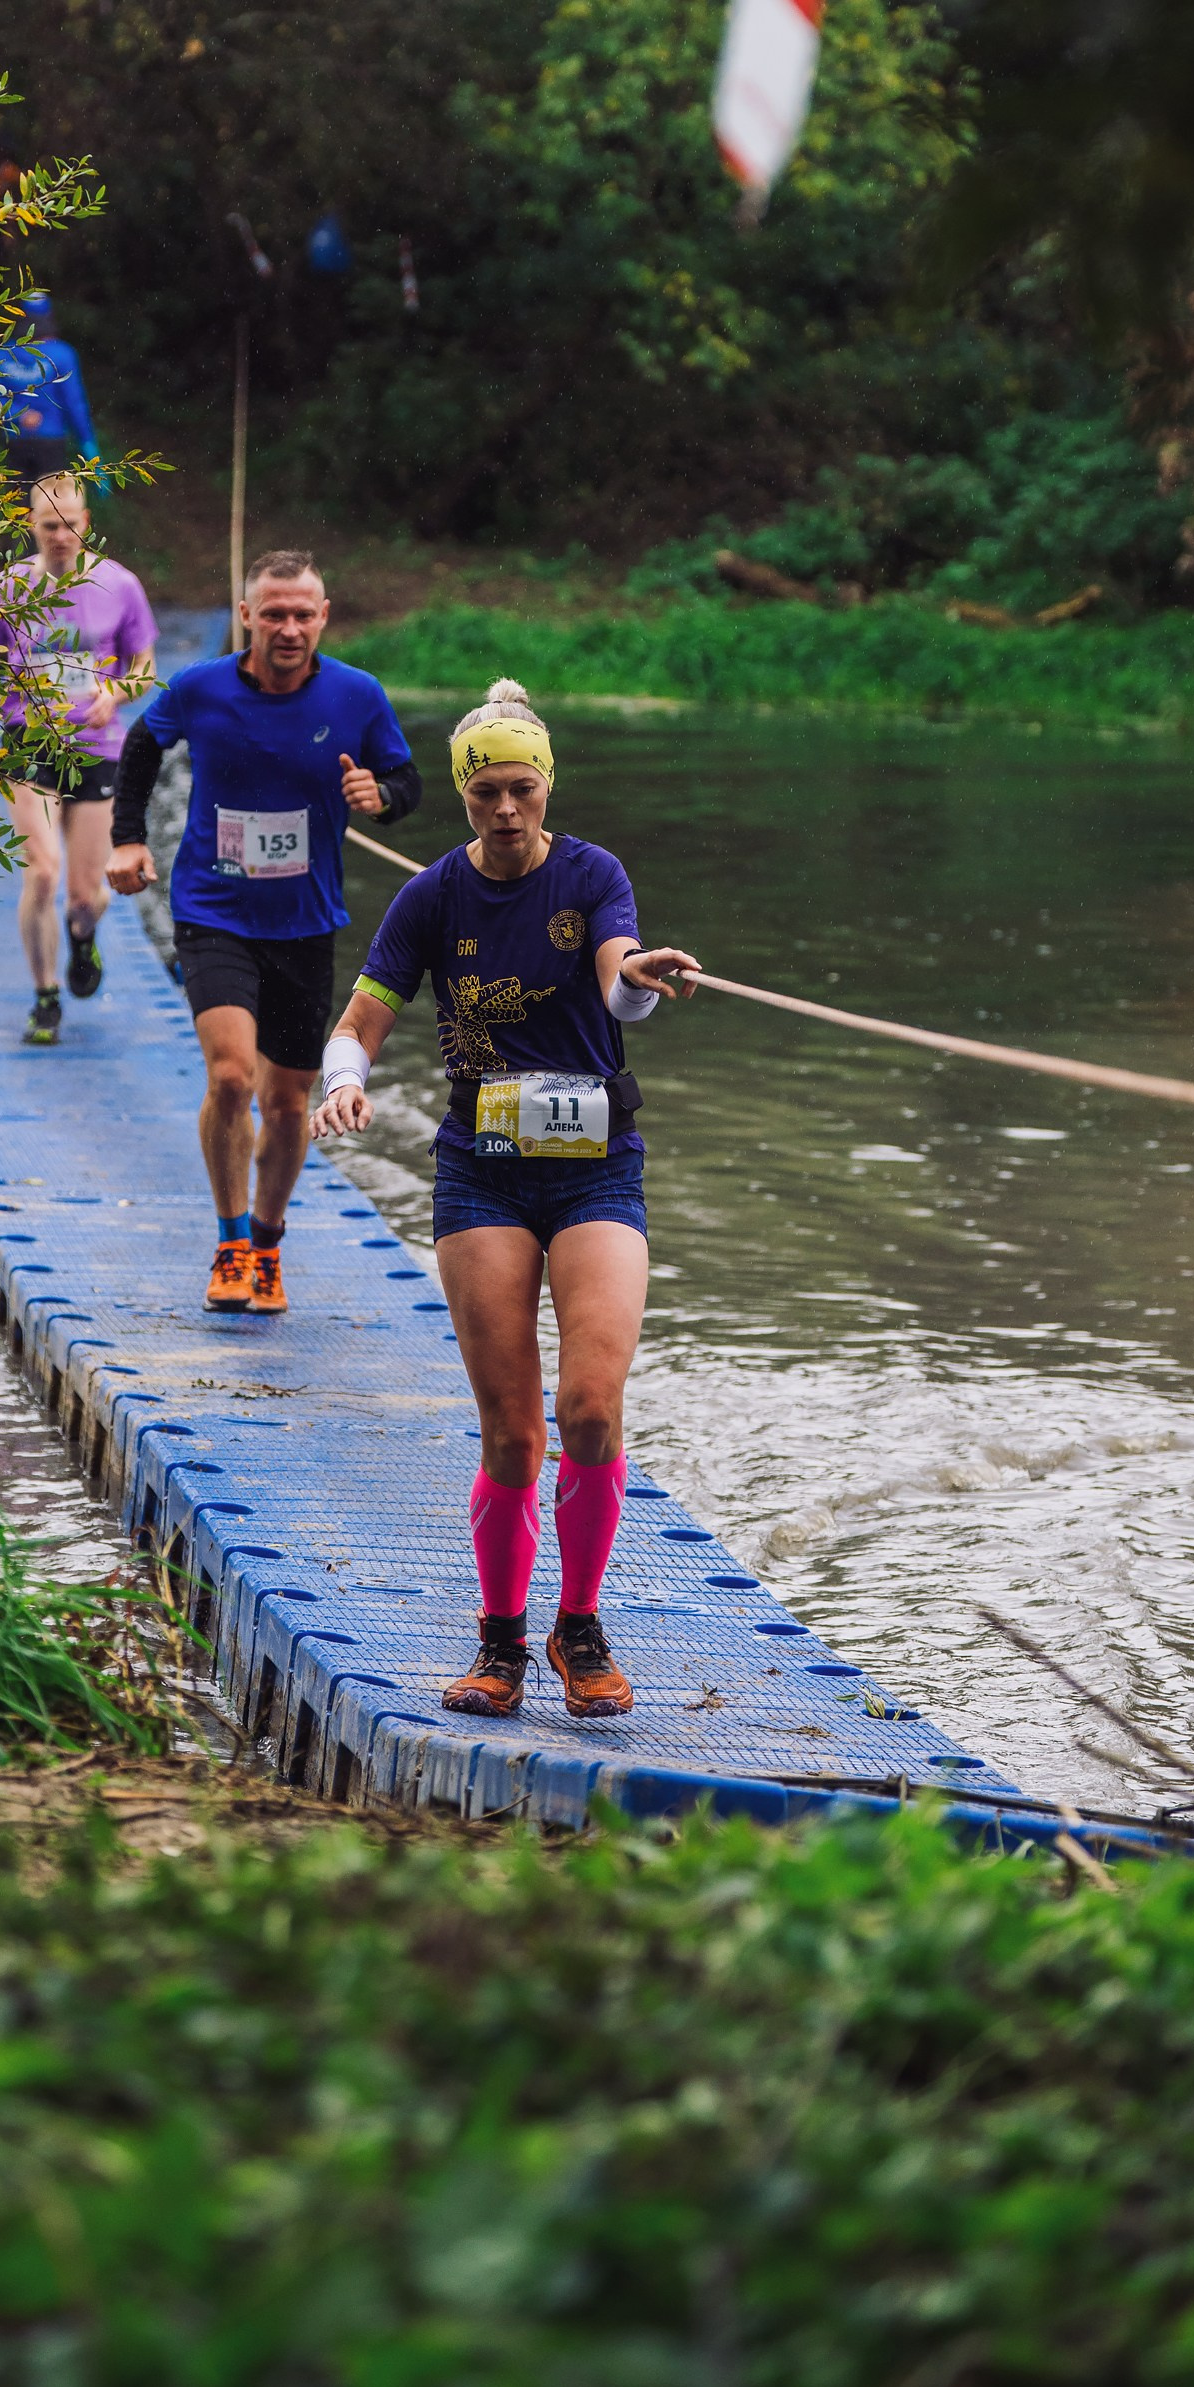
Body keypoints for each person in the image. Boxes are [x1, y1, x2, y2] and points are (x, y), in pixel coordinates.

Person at [310, 678, 699, 1721]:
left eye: (521, 789)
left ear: (545, 787)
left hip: (595, 1171)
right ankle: (498, 1644)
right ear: (465, 797)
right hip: (480, 1173)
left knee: (589, 1412)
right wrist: (342, 1079)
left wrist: (640, 981)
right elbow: (363, 1014)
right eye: (485, 793)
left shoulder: (591, 874)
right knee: (512, 1437)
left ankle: (578, 1628)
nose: (505, 810)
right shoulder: (432, 895)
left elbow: (618, 976)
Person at [108, 550, 419, 1317]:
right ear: (245, 615)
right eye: (272, 613)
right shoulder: (199, 687)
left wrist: (378, 795)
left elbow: (406, 782)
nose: (288, 628)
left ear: (323, 617)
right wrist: (128, 837)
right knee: (231, 1079)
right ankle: (230, 1240)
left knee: (287, 1103)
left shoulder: (357, 694)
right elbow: (142, 745)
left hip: (306, 923)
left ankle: (270, 1246)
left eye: (302, 614)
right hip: (213, 910)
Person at [0, 473, 155, 1045]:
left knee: (87, 894)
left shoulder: (120, 585)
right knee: (42, 871)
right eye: (48, 526)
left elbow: (143, 666)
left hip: (96, 747)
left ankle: (82, 936)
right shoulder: (9, 587)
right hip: (28, 743)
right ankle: (45, 995)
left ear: (85, 525)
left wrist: (112, 694)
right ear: (31, 528)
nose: (60, 536)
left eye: (70, 525)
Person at [0, 290, 99, 487]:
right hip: (51, 441)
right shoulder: (62, 353)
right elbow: (74, 402)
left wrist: (18, 416)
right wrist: (87, 441)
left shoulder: (2, 354)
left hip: (16, 441)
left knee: (20, 507)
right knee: (50, 506)